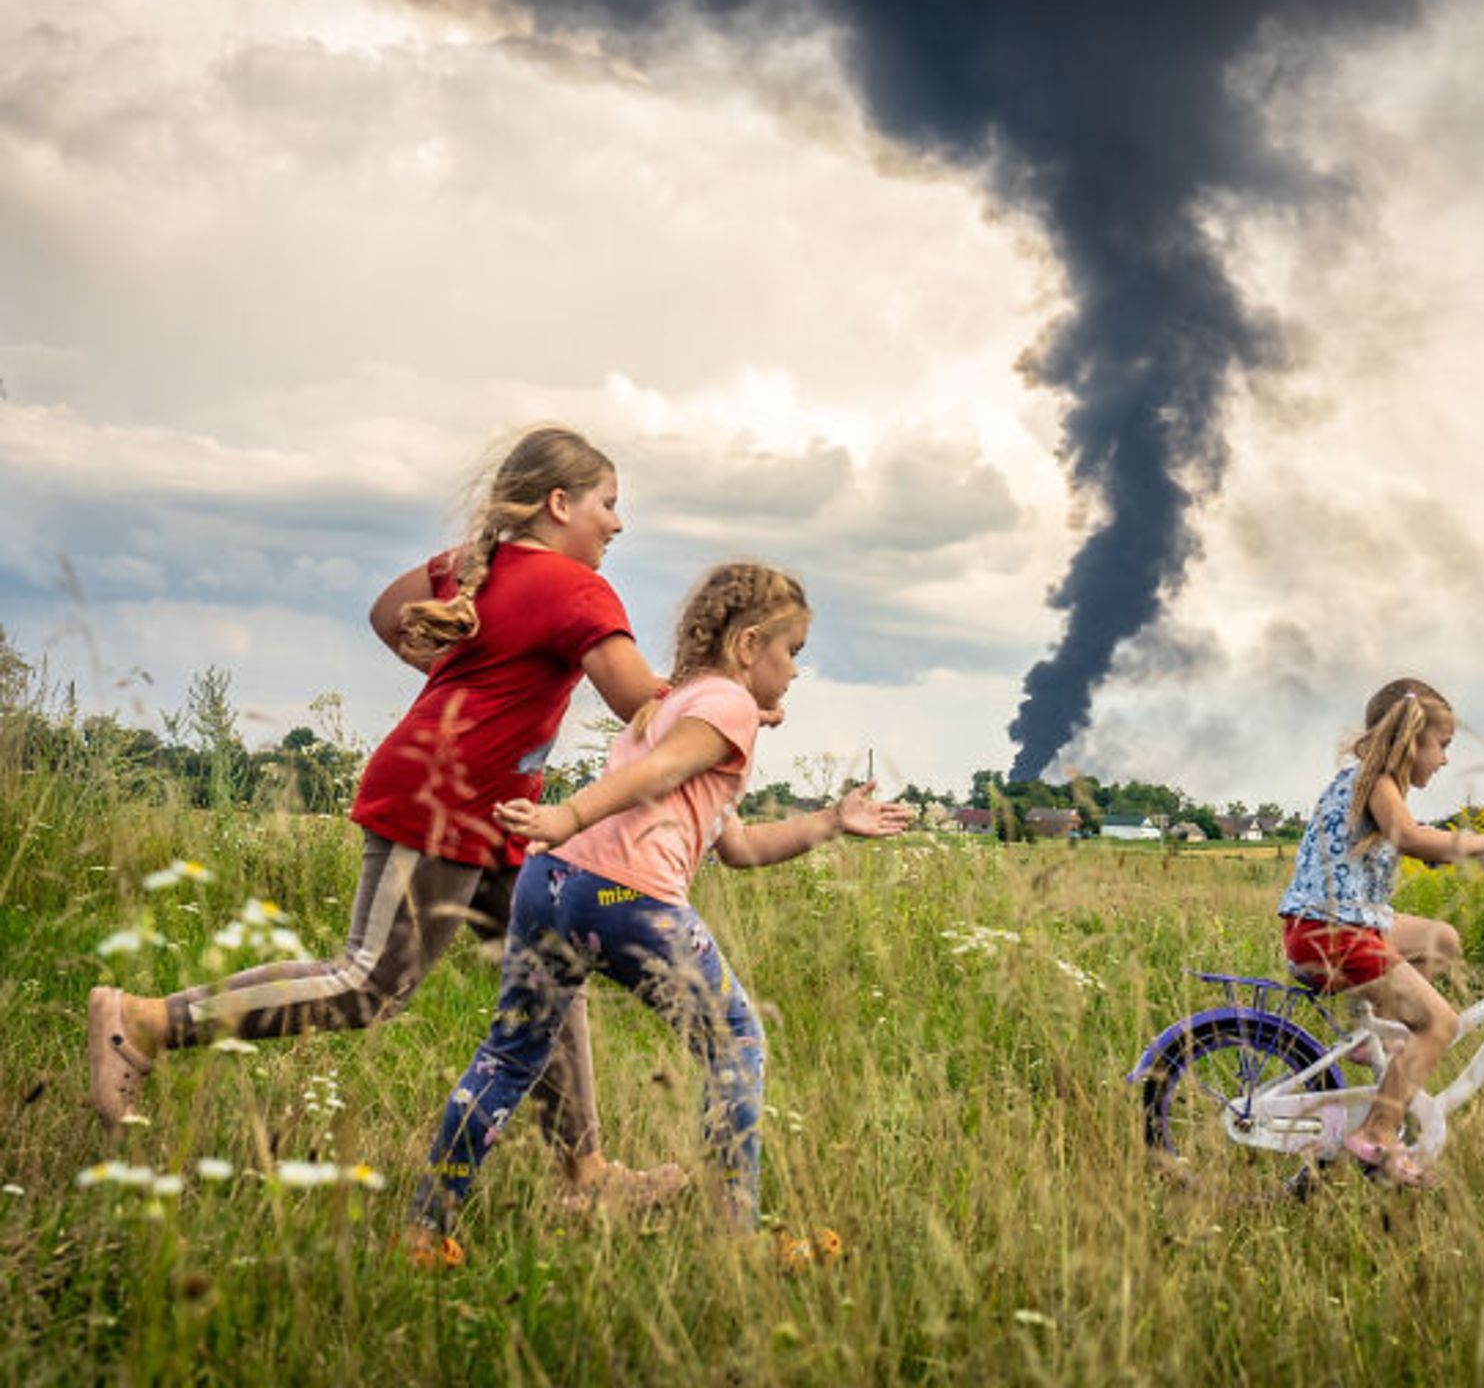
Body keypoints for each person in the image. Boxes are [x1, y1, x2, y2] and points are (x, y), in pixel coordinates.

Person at [89, 426, 680, 1204]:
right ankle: (146, 1022)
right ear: (560, 503)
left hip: (498, 819)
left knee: (551, 973)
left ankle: (586, 1175)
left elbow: (386, 611)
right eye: (609, 503)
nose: (617, 523)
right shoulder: (577, 589)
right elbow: (641, 705)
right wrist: (729, 698)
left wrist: (456, 674)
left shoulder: (481, 566)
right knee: (368, 984)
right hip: (436, 804)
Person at [405, 561, 910, 1263]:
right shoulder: (724, 708)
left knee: (512, 1053)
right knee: (736, 1043)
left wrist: (831, 819)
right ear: (748, 645)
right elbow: (659, 773)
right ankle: (735, 1243)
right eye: (791, 653)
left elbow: (736, 847)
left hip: (551, 882)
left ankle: (426, 1229)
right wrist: (567, 812)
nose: (794, 674)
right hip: (621, 894)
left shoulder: (677, 703)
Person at [1276, 678, 1484, 1188]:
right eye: (1443, 746)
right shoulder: (1375, 781)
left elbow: (1394, 838)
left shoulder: (1368, 782)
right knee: (1440, 1024)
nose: (1444, 760)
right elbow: (1410, 837)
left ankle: (1378, 1036)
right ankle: (1379, 1134)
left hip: (1337, 923)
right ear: (1412, 739)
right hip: (1334, 933)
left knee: (1443, 939)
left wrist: (1450, 852)